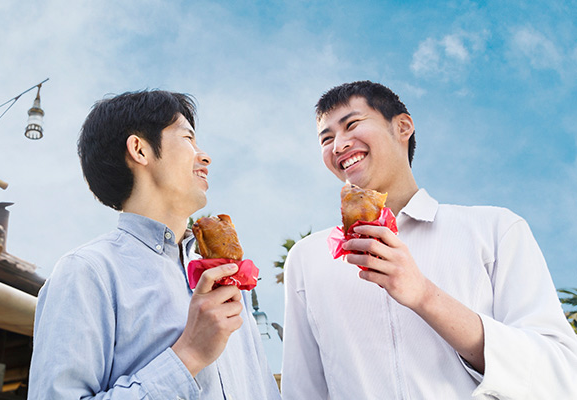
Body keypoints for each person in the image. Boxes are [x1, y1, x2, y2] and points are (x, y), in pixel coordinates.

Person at [281, 80, 577, 399]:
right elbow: (303, 390)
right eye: (326, 139)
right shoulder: (307, 258)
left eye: (351, 124)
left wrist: (424, 295)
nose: (338, 145)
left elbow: (560, 373)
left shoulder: (495, 229)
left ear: (403, 126)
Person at [28, 90, 280, 399]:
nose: (205, 156)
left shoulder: (225, 283)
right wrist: (188, 355)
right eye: (188, 139)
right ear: (139, 149)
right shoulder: (87, 272)